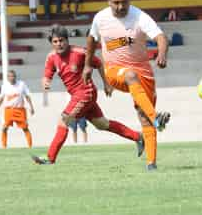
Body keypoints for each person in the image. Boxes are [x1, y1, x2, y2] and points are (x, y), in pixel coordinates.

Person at [83, 0, 170, 171]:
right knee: (130, 76)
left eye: (124, 2)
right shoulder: (100, 18)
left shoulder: (140, 17)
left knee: (143, 118)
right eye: (116, 2)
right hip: (115, 71)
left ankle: (151, 164)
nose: (120, 7)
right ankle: (156, 118)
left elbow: (161, 37)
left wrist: (162, 54)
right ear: (108, 1)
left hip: (143, 72)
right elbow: (91, 39)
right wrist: (88, 65)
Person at [31, 25, 144, 165]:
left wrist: (107, 84)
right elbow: (47, 74)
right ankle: (138, 136)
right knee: (102, 124)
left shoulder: (79, 52)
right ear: (51, 43)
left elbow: (99, 63)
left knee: (64, 120)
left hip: (85, 92)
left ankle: (50, 158)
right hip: (77, 95)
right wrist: (46, 82)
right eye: (55, 41)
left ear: (67, 40)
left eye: (61, 40)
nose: (59, 44)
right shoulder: (51, 57)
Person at [0, 70, 34, 148]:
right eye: (10, 76)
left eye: (13, 76)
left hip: (20, 110)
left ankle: (30, 146)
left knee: (25, 128)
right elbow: (1, 98)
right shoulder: (4, 86)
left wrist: (31, 107)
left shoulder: (21, 84)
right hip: (9, 110)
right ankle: (4, 146)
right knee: (4, 128)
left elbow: (27, 96)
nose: (11, 78)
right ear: (7, 77)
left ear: (15, 77)